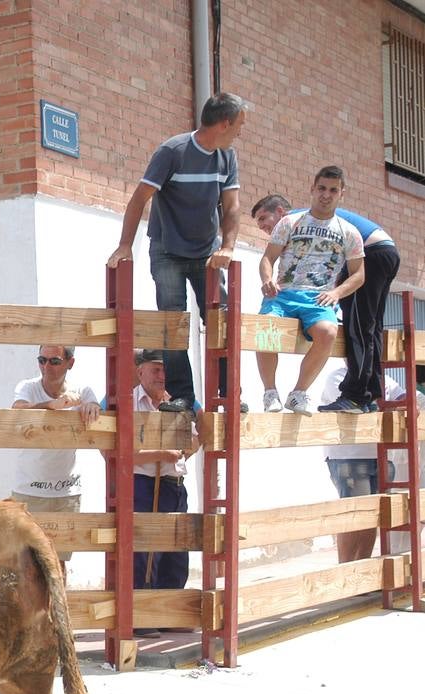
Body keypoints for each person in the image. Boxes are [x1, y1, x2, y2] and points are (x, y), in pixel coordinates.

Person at [107, 92, 247, 414]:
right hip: (168, 249)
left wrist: (227, 247)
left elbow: (232, 207)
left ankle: (229, 393)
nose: (241, 131)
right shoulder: (173, 151)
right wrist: (126, 243)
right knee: (172, 322)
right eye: (239, 125)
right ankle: (182, 396)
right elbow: (140, 197)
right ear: (225, 123)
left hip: (206, 254)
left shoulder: (227, 157)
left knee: (219, 320)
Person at [251, 193, 400, 413]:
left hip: (371, 252)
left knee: (358, 327)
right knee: (370, 327)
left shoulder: (301, 221)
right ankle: (370, 394)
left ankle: (356, 396)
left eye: (264, 218)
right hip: (384, 250)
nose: (262, 225)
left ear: (281, 213)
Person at [254, 167, 365, 416]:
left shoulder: (349, 231)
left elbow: (359, 275)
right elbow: (267, 258)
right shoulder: (290, 222)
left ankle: (299, 393)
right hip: (283, 294)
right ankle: (270, 392)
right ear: (312, 189)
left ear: (341, 194)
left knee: (328, 332)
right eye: (322, 188)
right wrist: (267, 278)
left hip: (319, 297)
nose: (326, 194)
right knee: (264, 327)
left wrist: (337, 293)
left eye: (333, 190)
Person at [11, 345, 101, 564]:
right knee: (25, 564)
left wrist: (91, 406)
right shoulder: (28, 387)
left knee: (59, 565)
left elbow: (95, 407)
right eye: (42, 360)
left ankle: (58, 601)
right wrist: (50, 405)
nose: (46, 367)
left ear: (70, 363)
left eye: (54, 361)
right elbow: (17, 410)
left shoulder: (82, 390)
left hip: (66, 492)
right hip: (29, 489)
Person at [320, 364, 409, 562]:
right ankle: (346, 572)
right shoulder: (338, 376)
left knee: (372, 516)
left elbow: (406, 399)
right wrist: (392, 405)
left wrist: (397, 404)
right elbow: (361, 408)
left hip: (380, 455)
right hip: (350, 455)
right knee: (354, 515)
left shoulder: (383, 378)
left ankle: (361, 574)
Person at [132, 350, 200, 604]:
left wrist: (183, 450)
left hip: (175, 485)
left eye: (164, 369)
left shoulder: (179, 402)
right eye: (155, 369)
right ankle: (144, 615)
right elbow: (122, 454)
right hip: (144, 485)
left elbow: (194, 440)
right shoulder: (131, 404)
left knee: (177, 550)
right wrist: (162, 453)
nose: (161, 375)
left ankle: (170, 611)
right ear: (141, 372)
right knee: (146, 553)